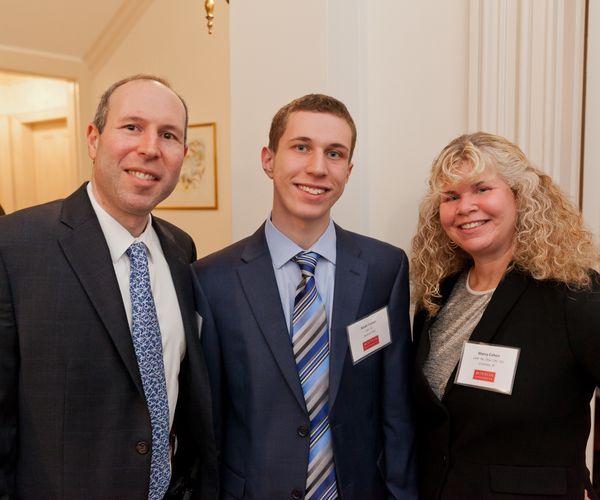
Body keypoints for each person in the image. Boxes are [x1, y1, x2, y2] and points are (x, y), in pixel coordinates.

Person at [0, 74, 216, 499]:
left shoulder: (180, 249)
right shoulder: (15, 246)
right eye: (132, 127)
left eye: (168, 135)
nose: (150, 148)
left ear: (182, 155)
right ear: (94, 139)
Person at [192, 94, 417, 499]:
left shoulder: (385, 269)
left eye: (334, 153)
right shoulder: (212, 279)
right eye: (301, 147)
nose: (317, 167)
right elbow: (209, 423)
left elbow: (396, 409)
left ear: (348, 171)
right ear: (268, 159)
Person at [410, 131, 600, 499]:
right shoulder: (437, 296)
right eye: (451, 196)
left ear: (520, 196)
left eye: (481, 189)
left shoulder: (573, 292)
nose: (465, 206)